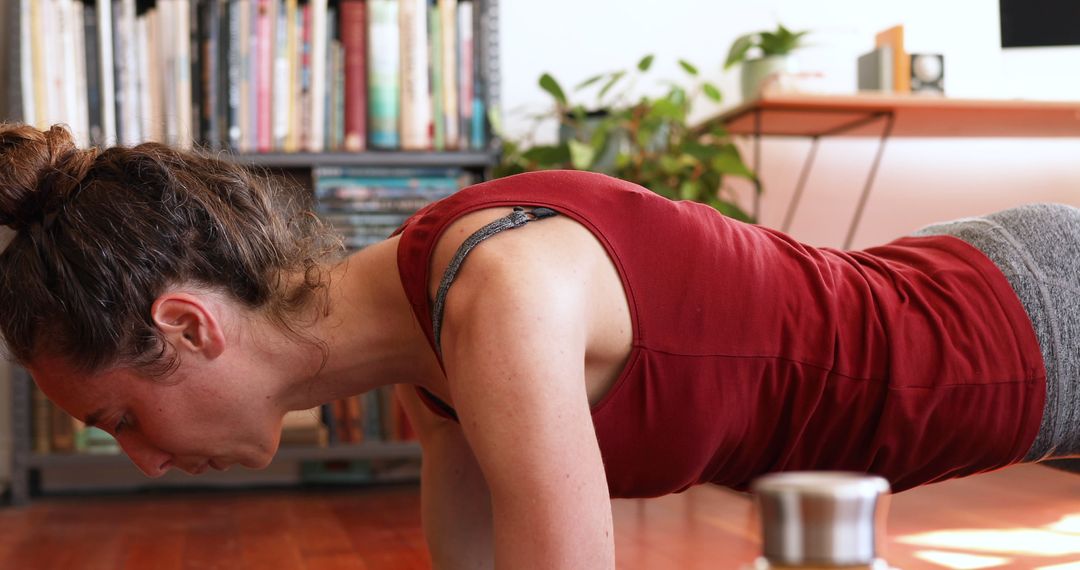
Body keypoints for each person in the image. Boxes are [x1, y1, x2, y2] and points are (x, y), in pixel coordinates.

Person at [1, 123, 1076, 568]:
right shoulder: (434, 339)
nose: (142, 459)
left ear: (188, 326)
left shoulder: (498, 296)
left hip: (1029, 320)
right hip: (982, 306)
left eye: (123, 420)